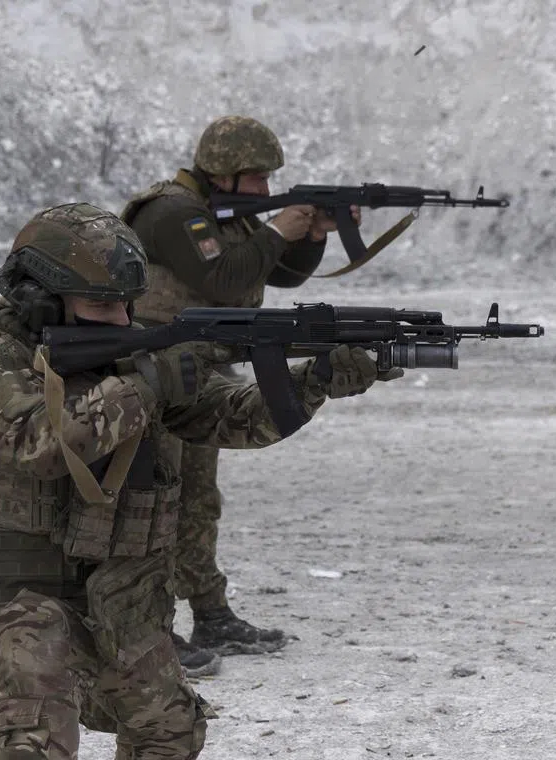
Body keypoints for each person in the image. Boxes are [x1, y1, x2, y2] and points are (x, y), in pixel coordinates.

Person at [0, 203, 398, 759]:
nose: (119, 320)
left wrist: (314, 381)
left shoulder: (131, 348)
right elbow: (36, 441)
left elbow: (230, 417)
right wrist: (150, 384)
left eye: (125, 304)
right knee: (33, 742)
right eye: (100, 304)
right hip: (24, 587)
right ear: (40, 297)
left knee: (171, 731)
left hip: (121, 586)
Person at [121, 115, 362, 671]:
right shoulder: (173, 213)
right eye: (256, 178)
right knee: (157, 499)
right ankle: (150, 627)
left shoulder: (222, 213)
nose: (264, 188)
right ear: (223, 171)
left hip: (199, 369)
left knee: (198, 498)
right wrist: (278, 229)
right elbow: (226, 279)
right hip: (154, 371)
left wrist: (311, 236)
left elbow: (278, 274)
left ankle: (211, 612)